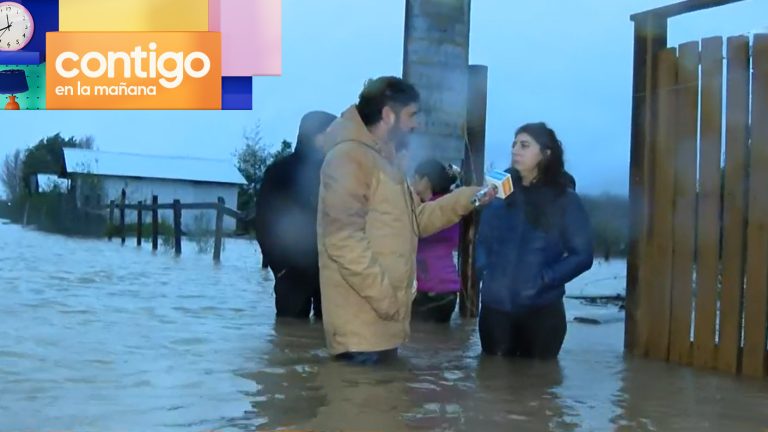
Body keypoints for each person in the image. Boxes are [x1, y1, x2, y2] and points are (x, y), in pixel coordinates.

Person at [316, 76, 495, 365]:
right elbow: (343, 241)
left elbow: (416, 220)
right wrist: (387, 300)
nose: (417, 125)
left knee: (384, 407)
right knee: (360, 406)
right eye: (412, 115)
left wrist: (468, 198)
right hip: (361, 330)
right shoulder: (348, 158)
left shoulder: (385, 162)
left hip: (383, 326)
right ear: (388, 115)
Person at [475, 122, 594, 360]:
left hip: (542, 312)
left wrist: (544, 280)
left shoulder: (565, 200)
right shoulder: (499, 195)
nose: (515, 150)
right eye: (514, 144)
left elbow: (582, 255)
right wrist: (485, 271)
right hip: (495, 310)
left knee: (539, 388)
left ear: (546, 153)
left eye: (525, 145)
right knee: (490, 384)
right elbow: (483, 241)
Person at [254, 110, 338, 320]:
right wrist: (279, 266)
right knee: (288, 338)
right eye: (330, 133)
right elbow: (264, 221)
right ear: (316, 134)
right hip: (291, 270)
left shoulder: (334, 172)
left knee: (328, 336)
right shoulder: (280, 172)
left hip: (329, 269)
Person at [410, 158, 462, 323]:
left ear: (426, 181)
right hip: (444, 289)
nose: (412, 183)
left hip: (432, 290)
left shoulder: (434, 210)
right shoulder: (447, 205)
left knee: (415, 341)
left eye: (415, 179)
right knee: (433, 342)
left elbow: (414, 232)